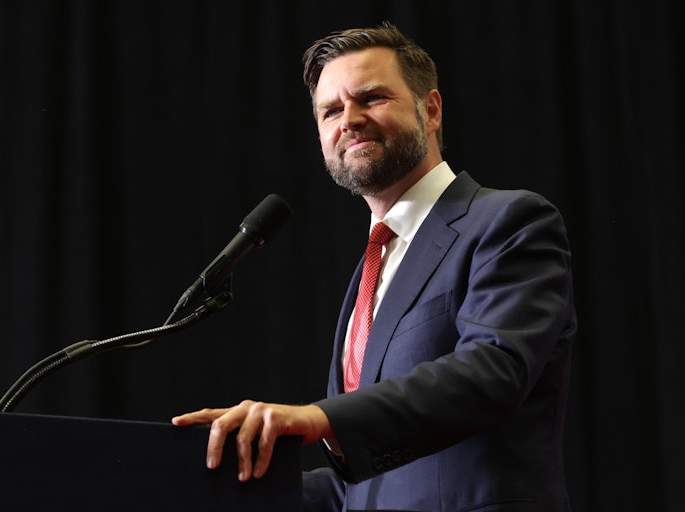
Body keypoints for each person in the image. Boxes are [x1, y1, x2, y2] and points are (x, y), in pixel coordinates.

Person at [172, 22, 576, 512]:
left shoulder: (508, 221)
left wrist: (318, 418)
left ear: (430, 110)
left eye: (371, 98)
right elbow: (362, 484)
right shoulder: (373, 264)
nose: (350, 119)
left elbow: (493, 371)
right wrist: (219, 484)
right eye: (331, 110)